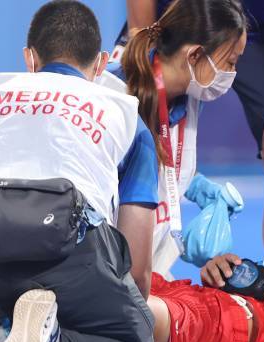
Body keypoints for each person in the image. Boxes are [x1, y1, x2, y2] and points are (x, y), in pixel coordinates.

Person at [0, 1, 155, 342]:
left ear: (29, 58)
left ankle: (3, 330)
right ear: (102, 63)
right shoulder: (127, 117)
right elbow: (139, 270)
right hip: (72, 253)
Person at [112, 0, 264, 278]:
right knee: (135, 122)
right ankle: (125, 272)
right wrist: (143, 61)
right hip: (177, 18)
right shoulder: (112, 90)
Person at [104, 0, 248, 280]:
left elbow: (162, 160)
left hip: (146, 266)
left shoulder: (189, 95)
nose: (232, 74)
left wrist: (194, 186)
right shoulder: (112, 95)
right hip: (101, 268)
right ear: (194, 56)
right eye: (230, 62)